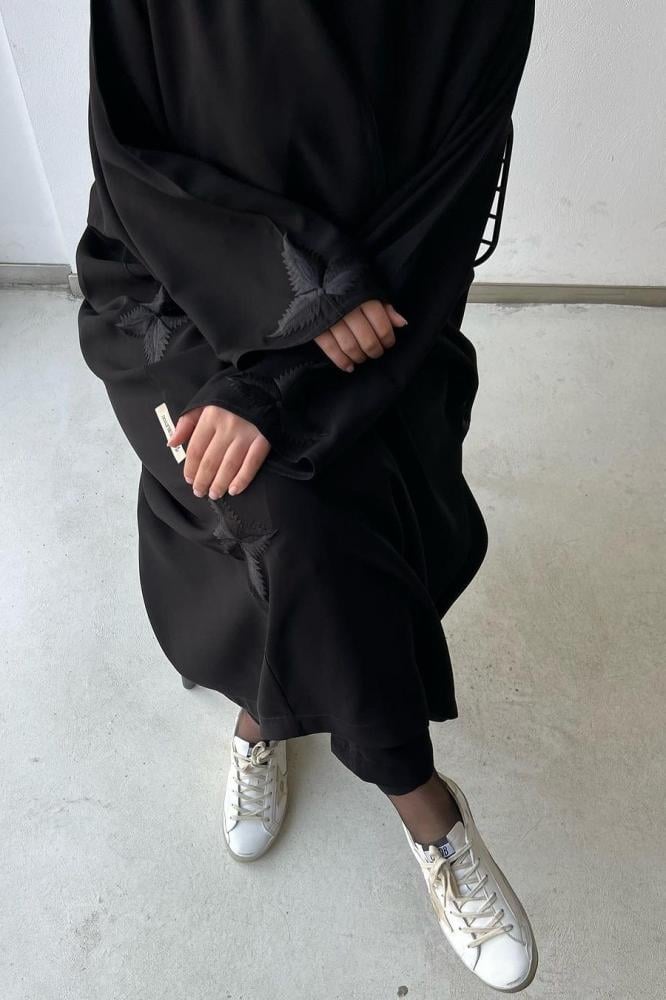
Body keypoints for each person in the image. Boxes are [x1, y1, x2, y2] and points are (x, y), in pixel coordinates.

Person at [76, 1, 537, 991]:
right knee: (277, 512)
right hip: (174, 287)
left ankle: (266, 714)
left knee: (323, 511)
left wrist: (289, 368)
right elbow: (125, 147)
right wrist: (286, 302)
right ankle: (427, 807)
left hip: (380, 308)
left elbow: (451, 192)